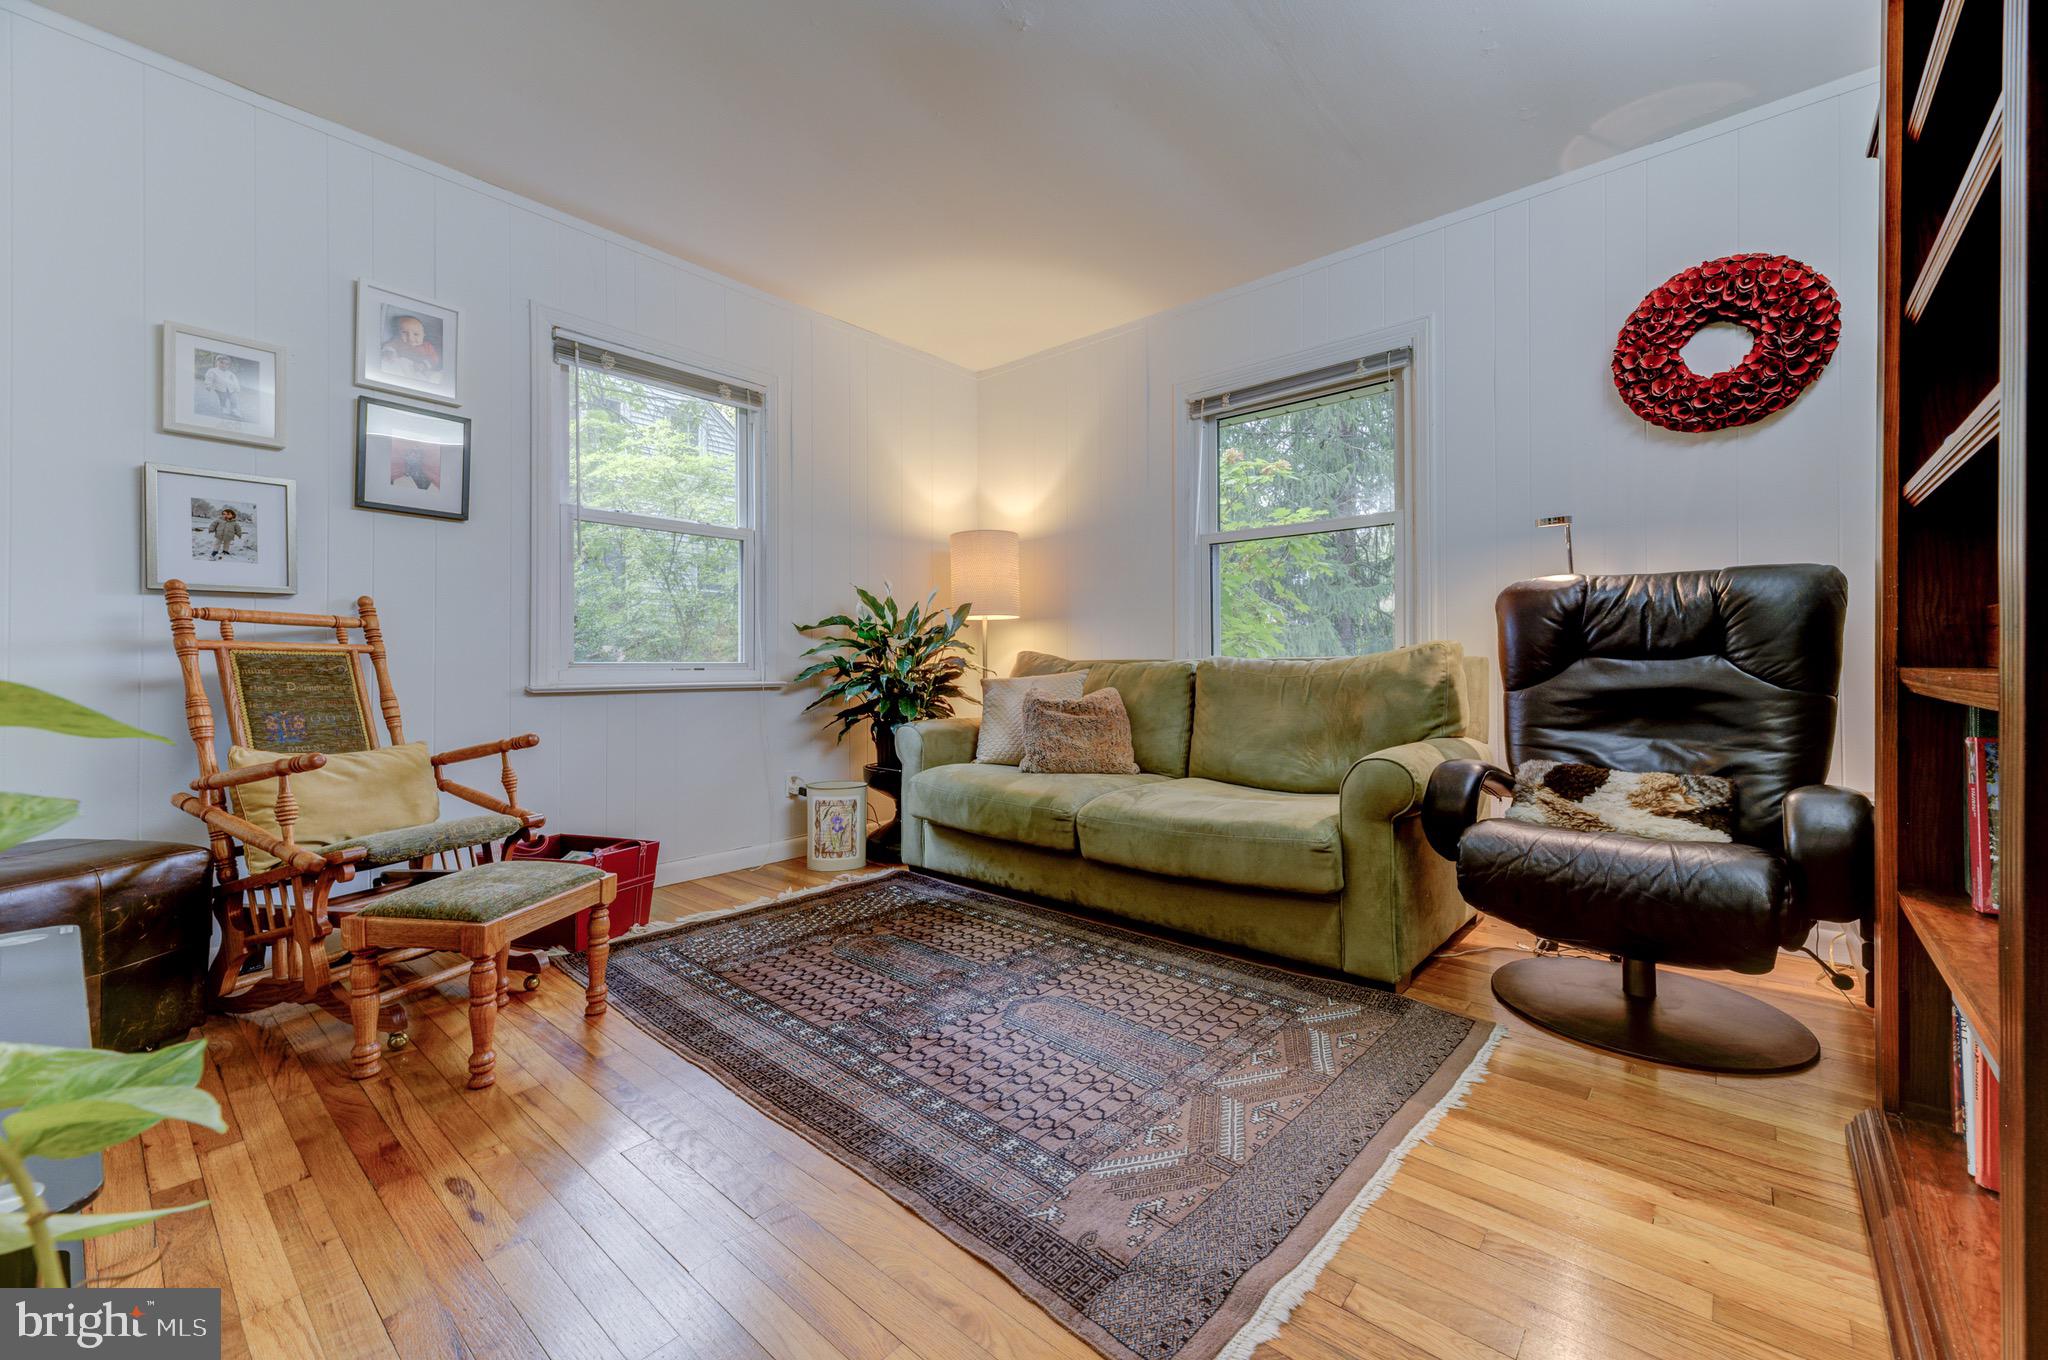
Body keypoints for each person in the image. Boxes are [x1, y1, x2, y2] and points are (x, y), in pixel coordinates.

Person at [380, 314, 441, 380]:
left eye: (416, 334)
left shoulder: (427, 346)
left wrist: (424, 365)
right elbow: (389, 346)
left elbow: (434, 359)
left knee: (434, 376)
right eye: (404, 332)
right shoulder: (398, 342)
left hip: (419, 370)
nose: (410, 338)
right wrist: (389, 352)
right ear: (398, 334)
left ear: (423, 335)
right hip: (403, 367)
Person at [203, 353, 242, 421]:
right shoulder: (213, 371)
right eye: (221, 363)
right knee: (222, 399)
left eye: (227, 364)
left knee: (234, 399)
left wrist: (237, 388)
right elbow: (209, 378)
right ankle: (224, 408)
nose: (224, 365)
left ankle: (234, 409)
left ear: (229, 365)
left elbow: (235, 381)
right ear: (217, 362)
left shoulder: (230, 373)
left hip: (231, 389)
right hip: (220, 388)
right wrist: (208, 385)